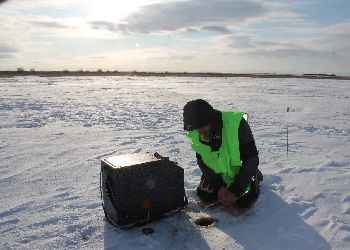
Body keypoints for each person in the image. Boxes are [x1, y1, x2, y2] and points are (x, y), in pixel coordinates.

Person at [183, 99, 262, 216]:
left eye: (202, 127)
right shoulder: (197, 132)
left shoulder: (236, 124)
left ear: (211, 120)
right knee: (205, 195)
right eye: (196, 129)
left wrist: (235, 190)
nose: (199, 132)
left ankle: (256, 176)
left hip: (241, 172)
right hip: (219, 175)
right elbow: (203, 162)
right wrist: (218, 185)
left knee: (245, 200)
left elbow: (251, 159)